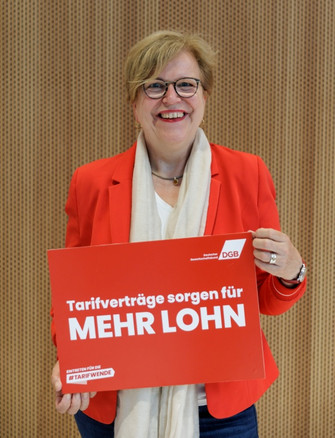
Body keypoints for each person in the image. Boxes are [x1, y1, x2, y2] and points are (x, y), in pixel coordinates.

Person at [51, 30, 307, 437]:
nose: (171, 98)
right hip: (115, 404)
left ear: (204, 95)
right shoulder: (92, 183)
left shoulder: (248, 173)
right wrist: (71, 359)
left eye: (186, 85)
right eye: (154, 86)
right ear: (134, 103)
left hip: (221, 411)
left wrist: (291, 272)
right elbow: (75, 300)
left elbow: (263, 299)